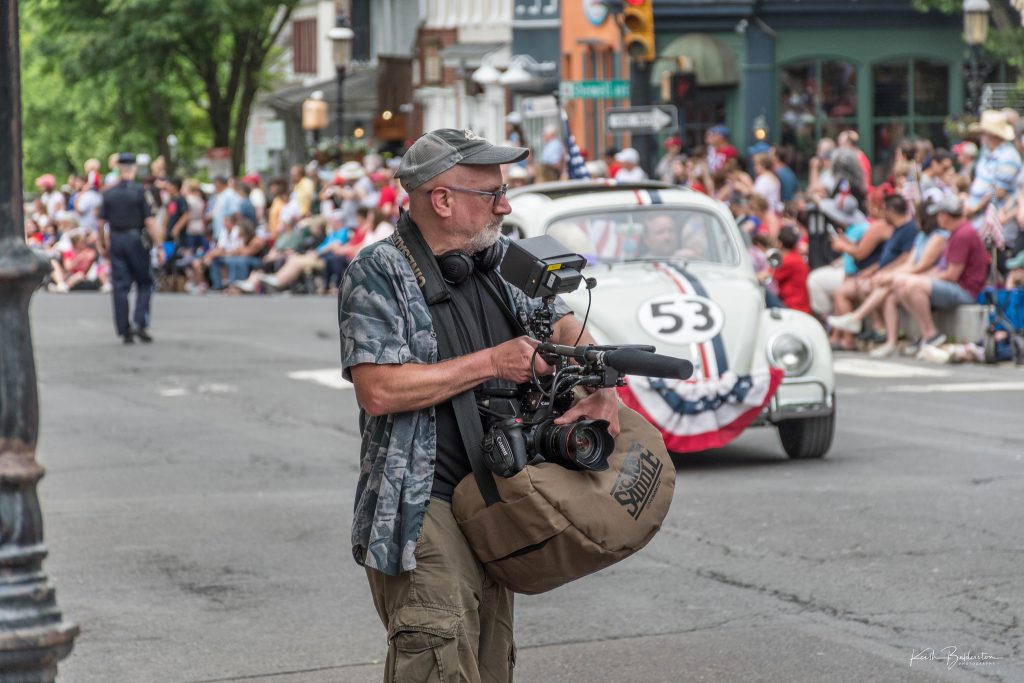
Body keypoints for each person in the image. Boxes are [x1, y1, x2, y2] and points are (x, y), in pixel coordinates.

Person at [338, 128, 619, 680]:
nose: (505, 204)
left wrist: (600, 387)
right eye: (491, 193)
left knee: (491, 666)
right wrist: (493, 362)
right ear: (441, 200)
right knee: (441, 661)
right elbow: (379, 389)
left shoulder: (493, 259)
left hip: (498, 497)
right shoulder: (378, 271)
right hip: (423, 508)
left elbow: (563, 321)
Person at [892, 196, 990, 349]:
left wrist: (923, 278)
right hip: (952, 286)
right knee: (900, 283)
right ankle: (922, 333)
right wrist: (922, 276)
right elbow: (942, 269)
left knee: (915, 285)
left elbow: (951, 275)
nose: (936, 218)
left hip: (966, 290)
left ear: (945, 216)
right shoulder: (955, 233)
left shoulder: (963, 234)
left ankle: (931, 334)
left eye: (938, 214)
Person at [98, 153, 161, 344]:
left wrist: (103, 244)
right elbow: (149, 221)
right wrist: (159, 244)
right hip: (135, 239)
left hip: (116, 239)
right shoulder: (140, 192)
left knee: (120, 286)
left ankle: (124, 329)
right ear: (133, 168)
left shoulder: (109, 193)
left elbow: (101, 223)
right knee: (144, 281)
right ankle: (139, 322)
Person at [773, 225, 811, 313]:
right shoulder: (796, 257)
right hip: (799, 305)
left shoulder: (788, 261)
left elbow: (770, 276)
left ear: (780, 244)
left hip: (794, 307)